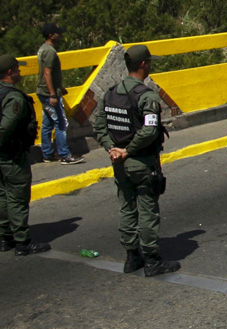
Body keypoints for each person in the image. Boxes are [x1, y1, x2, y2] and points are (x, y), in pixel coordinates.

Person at [92, 45, 180, 276]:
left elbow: (99, 126)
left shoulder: (110, 93)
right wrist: (127, 151)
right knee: (148, 208)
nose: (150, 66)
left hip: (119, 163)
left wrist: (112, 148)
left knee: (127, 207)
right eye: (149, 62)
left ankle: (132, 256)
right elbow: (150, 131)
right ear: (143, 65)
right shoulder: (147, 96)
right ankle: (151, 259)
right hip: (141, 162)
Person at [0, 54, 49, 256]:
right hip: (12, 155)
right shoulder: (13, 97)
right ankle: (22, 241)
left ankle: (5, 237)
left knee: (2, 194)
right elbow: (6, 128)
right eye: (17, 70)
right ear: (10, 72)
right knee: (18, 196)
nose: (20, 72)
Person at [36, 23, 84, 165]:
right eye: (58, 33)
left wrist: (59, 87)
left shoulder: (43, 49)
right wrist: (52, 94)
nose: (61, 36)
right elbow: (47, 73)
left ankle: (48, 154)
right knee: (61, 123)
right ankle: (65, 155)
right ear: (51, 36)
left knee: (48, 123)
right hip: (48, 93)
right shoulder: (50, 52)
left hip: (43, 91)